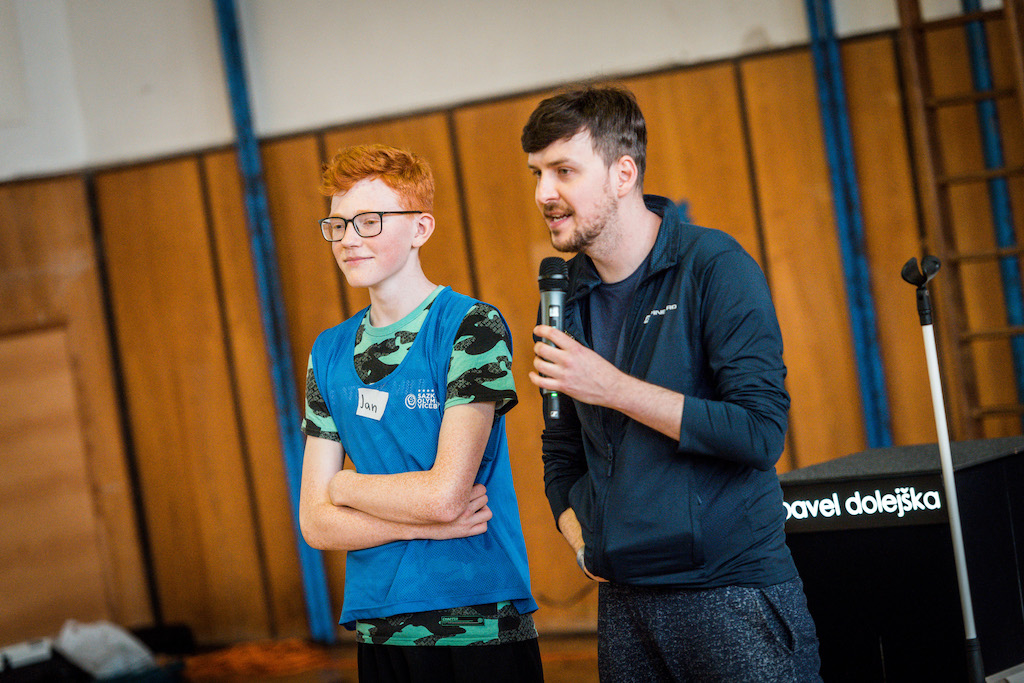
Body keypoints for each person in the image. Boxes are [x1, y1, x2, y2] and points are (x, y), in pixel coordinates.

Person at [522, 86, 821, 682]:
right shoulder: (564, 296)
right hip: (624, 602)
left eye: (563, 171)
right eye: (537, 173)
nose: (543, 194)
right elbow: (561, 446)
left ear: (623, 173)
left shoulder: (714, 266)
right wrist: (579, 536)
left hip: (731, 594)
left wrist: (613, 387)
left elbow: (761, 433)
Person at [299, 143, 543, 683]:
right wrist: (419, 520)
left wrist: (344, 486)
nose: (349, 239)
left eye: (369, 221)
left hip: (476, 615)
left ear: (420, 228)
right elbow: (315, 524)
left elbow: (445, 496)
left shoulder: (470, 327)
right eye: (337, 225)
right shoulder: (328, 352)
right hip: (379, 622)